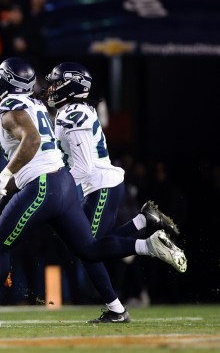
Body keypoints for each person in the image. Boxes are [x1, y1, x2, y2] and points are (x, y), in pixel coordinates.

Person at [0, 57, 187, 327]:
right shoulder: (37, 104)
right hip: (60, 183)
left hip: (51, 185)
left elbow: (33, 141)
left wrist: (4, 176)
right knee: (89, 249)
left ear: (7, 80)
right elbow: (41, 155)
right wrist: (8, 184)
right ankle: (127, 280)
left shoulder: (13, 105)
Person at [44, 61, 182, 322]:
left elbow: (83, 168)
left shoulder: (72, 113)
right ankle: (144, 221)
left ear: (70, 86)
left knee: (88, 249)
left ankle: (148, 246)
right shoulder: (76, 109)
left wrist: (57, 188)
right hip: (101, 185)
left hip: (99, 185)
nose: (51, 88)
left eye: (56, 83)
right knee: (93, 248)